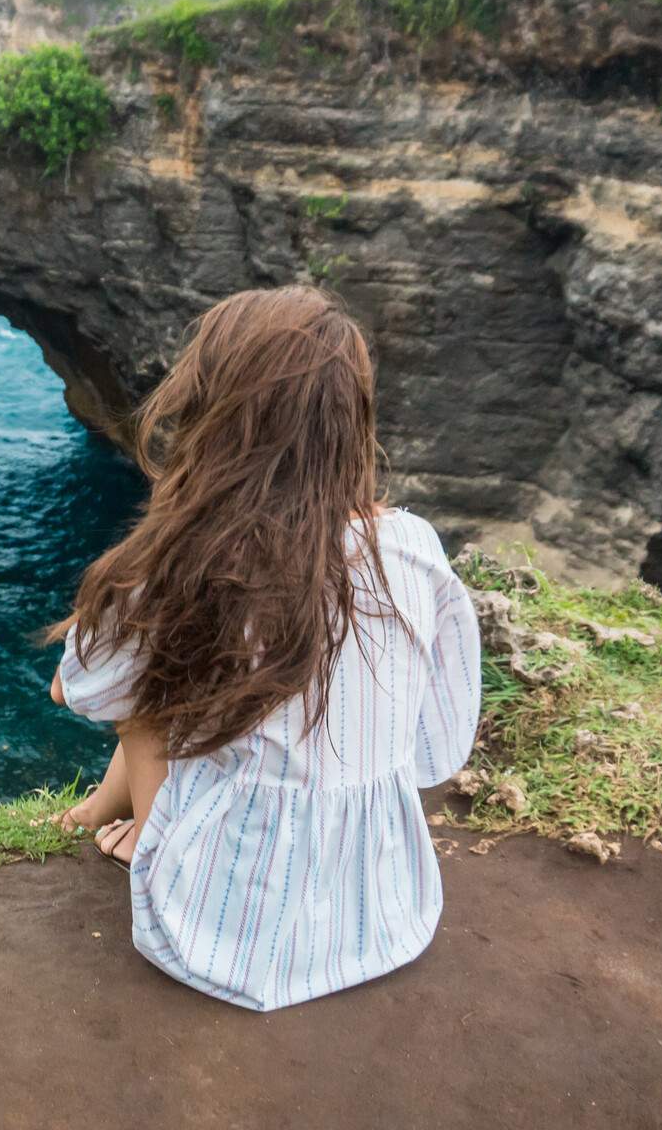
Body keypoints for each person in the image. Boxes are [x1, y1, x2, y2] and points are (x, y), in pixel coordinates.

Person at [47, 286, 482, 1012]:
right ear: (354, 422)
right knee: (174, 676)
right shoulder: (412, 548)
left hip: (212, 930)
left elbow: (79, 690)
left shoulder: (186, 564)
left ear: (215, 418)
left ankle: (145, 841)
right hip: (383, 912)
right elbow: (437, 752)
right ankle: (98, 808)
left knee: (149, 692)